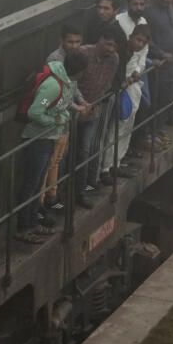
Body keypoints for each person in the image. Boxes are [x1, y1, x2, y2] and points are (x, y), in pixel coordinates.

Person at [16, 53, 87, 243]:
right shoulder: (53, 86)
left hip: (47, 138)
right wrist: (56, 120)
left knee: (37, 184)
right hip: (37, 139)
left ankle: (32, 223)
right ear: (79, 72)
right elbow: (35, 112)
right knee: (31, 184)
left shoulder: (63, 82)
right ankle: (23, 227)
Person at [74, 26, 123, 209]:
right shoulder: (83, 54)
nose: (110, 49)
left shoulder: (114, 60)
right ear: (100, 39)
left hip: (92, 112)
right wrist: (81, 104)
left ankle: (80, 191)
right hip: (73, 111)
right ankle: (57, 197)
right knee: (63, 157)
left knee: (85, 150)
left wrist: (93, 106)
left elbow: (107, 84)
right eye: (108, 44)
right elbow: (72, 82)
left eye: (114, 46)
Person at [43, 26, 88, 212]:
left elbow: (73, 85)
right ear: (62, 40)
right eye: (70, 41)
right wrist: (76, 106)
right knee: (52, 160)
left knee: (60, 157)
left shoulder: (75, 58)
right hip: (55, 120)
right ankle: (47, 199)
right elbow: (58, 92)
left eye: (78, 42)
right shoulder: (55, 60)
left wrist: (82, 99)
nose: (74, 45)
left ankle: (54, 194)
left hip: (65, 118)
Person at [104, 24, 150, 183]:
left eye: (143, 42)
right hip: (123, 91)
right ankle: (106, 167)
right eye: (138, 40)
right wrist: (128, 80)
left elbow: (140, 63)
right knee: (115, 129)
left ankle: (117, 162)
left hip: (133, 91)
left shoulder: (137, 51)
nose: (140, 44)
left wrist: (136, 73)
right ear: (131, 37)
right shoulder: (122, 52)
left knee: (126, 129)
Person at [145, 0, 173, 140]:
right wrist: (160, 53)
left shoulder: (171, 9)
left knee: (168, 97)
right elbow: (146, 38)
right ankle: (150, 133)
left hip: (171, 64)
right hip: (158, 65)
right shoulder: (150, 12)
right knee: (156, 99)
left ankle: (158, 128)